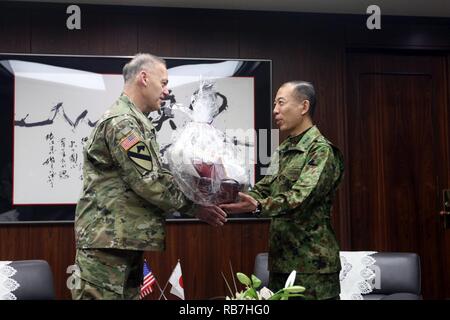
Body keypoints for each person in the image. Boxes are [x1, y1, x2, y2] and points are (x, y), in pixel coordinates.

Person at [71, 53, 227, 300]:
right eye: (163, 82)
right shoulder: (123, 123)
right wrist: (195, 206)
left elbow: (153, 175)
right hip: (107, 244)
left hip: (121, 240)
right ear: (144, 78)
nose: (166, 91)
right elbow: (149, 181)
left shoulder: (136, 122)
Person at [220, 81, 344, 300]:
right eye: (274, 104)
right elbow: (265, 188)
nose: (275, 110)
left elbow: (300, 199)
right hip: (281, 262)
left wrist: (257, 206)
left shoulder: (321, 150)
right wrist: (232, 195)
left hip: (313, 266)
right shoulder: (283, 148)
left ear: (303, 107)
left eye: (281, 103)